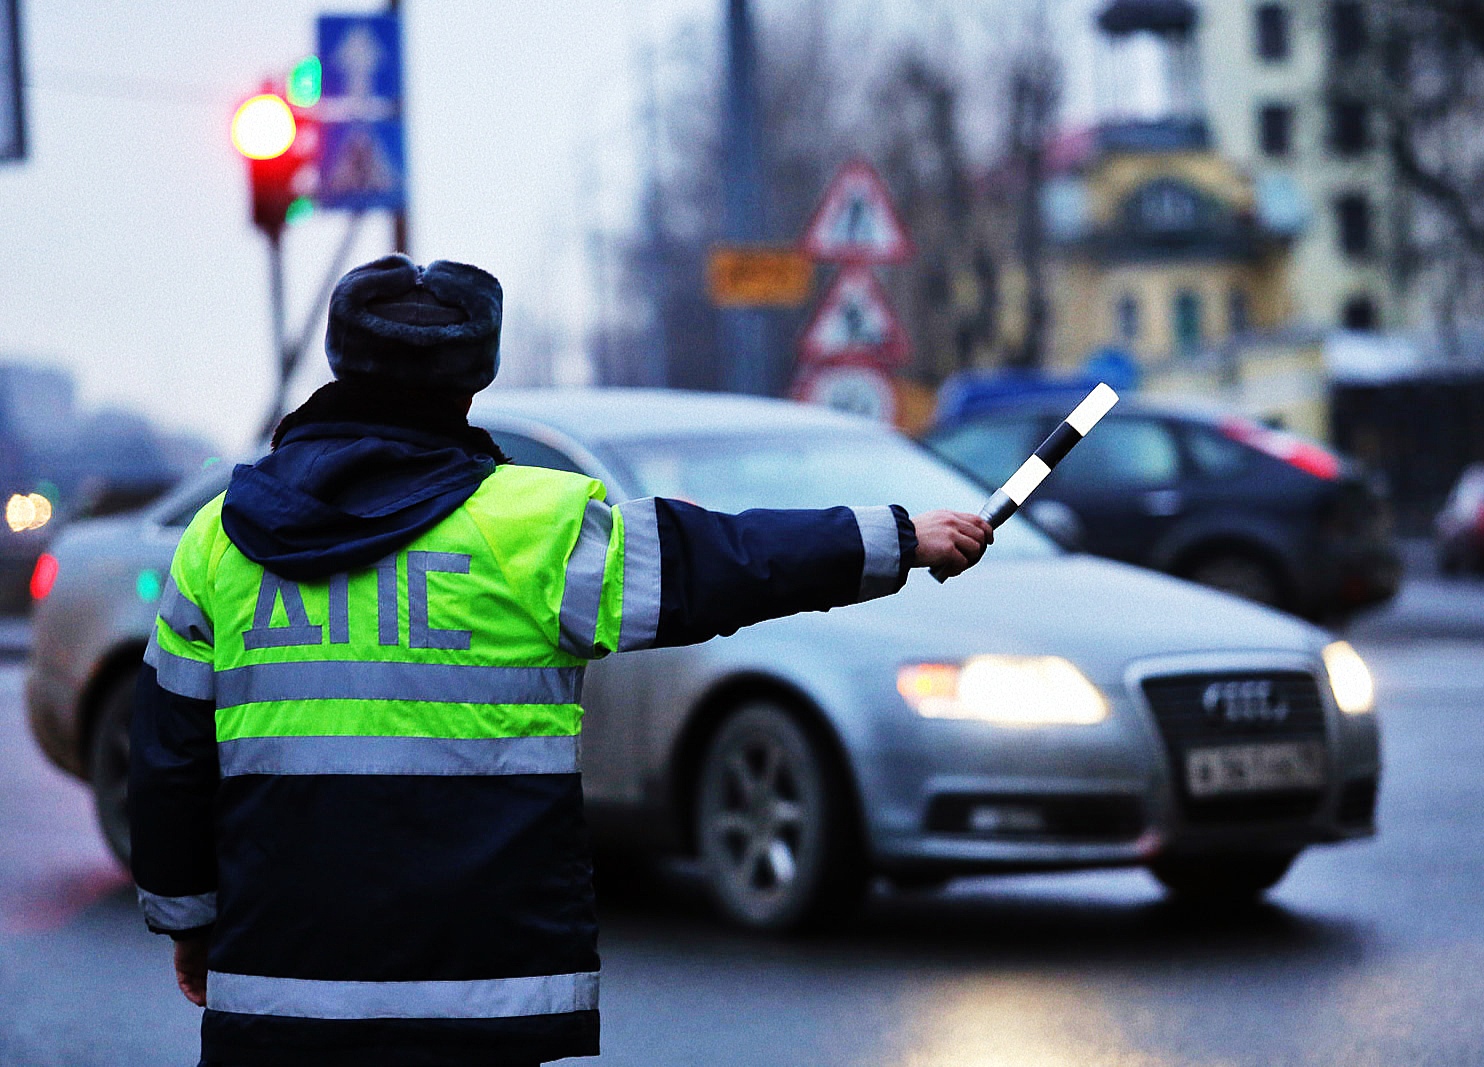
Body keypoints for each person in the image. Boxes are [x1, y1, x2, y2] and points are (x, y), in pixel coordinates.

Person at [129, 253, 992, 1067]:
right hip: (481, 997)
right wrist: (893, 536)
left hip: (279, 997)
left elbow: (169, 764)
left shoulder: (217, 544)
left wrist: (189, 921)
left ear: (339, 361)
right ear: (476, 373)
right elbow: (718, 561)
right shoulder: (536, 527)